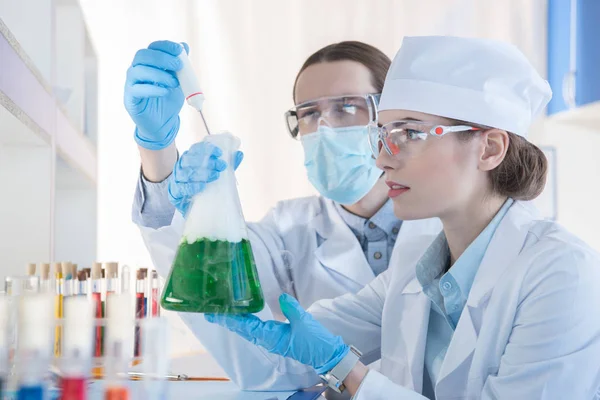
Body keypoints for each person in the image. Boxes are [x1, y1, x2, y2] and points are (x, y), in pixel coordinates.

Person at [207, 36, 600, 399]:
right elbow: (288, 353)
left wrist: (347, 372)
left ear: (490, 148)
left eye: (409, 134)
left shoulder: (561, 273)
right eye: (381, 135)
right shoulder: (416, 268)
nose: (381, 159)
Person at [125, 40, 441, 388]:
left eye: (347, 107)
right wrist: (158, 154)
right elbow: (248, 348)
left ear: (389, 115)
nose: (324, 128)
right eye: (308, 113)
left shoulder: (449, 226)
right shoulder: (287, 228)